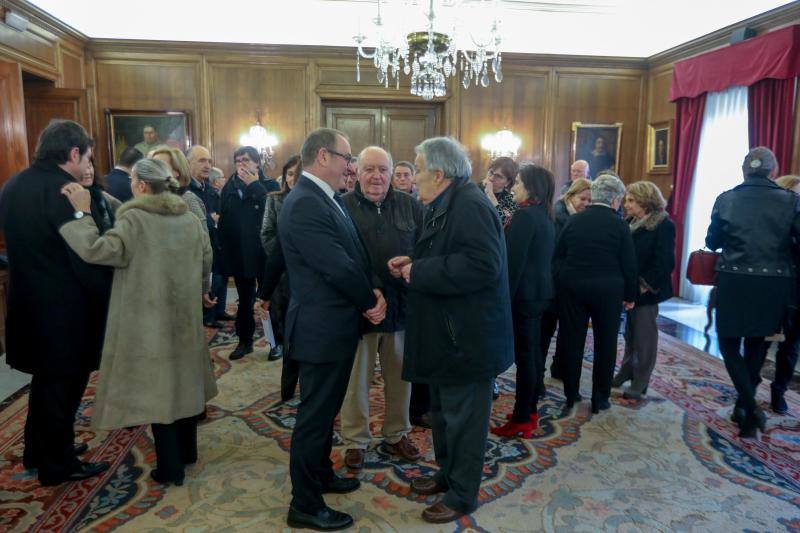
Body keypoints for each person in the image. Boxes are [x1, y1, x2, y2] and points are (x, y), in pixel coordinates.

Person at [59, 157, 218, 487]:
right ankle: (187, 453)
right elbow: (206, 257)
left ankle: (170, 469)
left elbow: (98, 250)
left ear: (142, 186)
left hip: (150, 320)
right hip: (184, 316)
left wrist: (81, 214)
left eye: (132, 180)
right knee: (185, 382)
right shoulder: (187, 216)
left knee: (159, 392)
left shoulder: (136, 221)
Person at [388, 137, 513, 524]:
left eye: (419, 169)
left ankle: (463, 494)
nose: (413, 178)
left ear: (439, 174)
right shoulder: (447, 200)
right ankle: (447, 474)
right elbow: (451, 253)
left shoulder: (471, 205)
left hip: (467, 338)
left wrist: (419, 271)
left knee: (465, 421)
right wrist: (415, 260)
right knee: (443, 415)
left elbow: (481, 266)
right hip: (448, 333)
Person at [280, 128, 386, 531]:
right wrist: (369, 302)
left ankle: (322, 474)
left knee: (325, 415)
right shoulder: (306, 202)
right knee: (314, 418)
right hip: (319, 329)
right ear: (323, 157)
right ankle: (304, 503)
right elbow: (336, 266)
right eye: (347, 157)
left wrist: (373, 287)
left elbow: (354, 252)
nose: (351, 165)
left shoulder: (325, 198)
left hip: (333, 326)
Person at [0, 119, 111, 485]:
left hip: (27, 306)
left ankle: (39, 450)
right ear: (74, 153)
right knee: (62, 391)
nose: (88, 165)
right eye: (88, 156)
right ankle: (58, 464)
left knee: (45, 386)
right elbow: (86, 257)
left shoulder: (13, 184)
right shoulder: (66, 192)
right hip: (64, 314)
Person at [705, 147, 800, 437]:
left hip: (734, 279)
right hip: (774, 283)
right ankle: (748, 417)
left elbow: (713, 241)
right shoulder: (792, 201)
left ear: (744, 169)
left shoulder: (726, 198)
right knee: (757, 345)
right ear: (774, 171)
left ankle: (749, 407)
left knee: (728, 343)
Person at [340, 146, 424, 471]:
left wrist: (411, 264)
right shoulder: (342, 207)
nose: (377, 176)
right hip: (359, 309)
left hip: (402, 309)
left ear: (393, 173)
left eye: (383, 170)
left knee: (401, 377)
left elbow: (427, 248)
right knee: (356, 380)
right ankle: (356, 440)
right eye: (369, 169)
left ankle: (396, 433)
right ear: (356, 173)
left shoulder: (411, 207)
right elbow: (341, 257)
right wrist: (368, 291)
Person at [554, 174, 636, 414]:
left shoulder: (575, 220)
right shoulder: (620, 225)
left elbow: (558, 255)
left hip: (572, 288)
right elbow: (629, 264)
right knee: (606, 343)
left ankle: (571, 394)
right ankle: (600, 398)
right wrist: (630, 295)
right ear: (615, 200)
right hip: (608, 292)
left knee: (572, 340)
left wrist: (562, 280)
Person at [490, 164, 555, 438]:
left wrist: (501, 302)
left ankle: (522, 417)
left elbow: (512, 266)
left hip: (524, 298)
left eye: (517, 183)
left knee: (526, 358)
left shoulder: (525, 217)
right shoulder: (543, 214)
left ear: (532, 187)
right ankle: (528, 412)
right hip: (538, 294)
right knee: (532, 356)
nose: (512, 187)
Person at [612, 181, 675, 399]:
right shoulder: (630, 222)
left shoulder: (663, 225)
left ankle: (642, 378)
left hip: (647, 290)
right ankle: (627, 370)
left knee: (644, 337)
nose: (626, 204)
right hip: (630, 287)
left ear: (646, 202)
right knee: (630, 334)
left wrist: (643, 286)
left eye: (631, 200)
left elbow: (665, 262)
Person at [218, 146, 270, 358]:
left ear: (257, 163)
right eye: (238, 160)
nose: (241, 164)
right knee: (245, 301)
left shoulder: (269, 185)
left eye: (246, 160)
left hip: (264, 254)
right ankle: (245, 341)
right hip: (240, 255)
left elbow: (271, 212)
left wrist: (255, 186)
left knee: (268, 302)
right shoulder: (228, 188)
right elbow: (224, 222)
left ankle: (274, 343)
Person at [544, 177, 592, 381]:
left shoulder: (584, 218)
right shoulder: (557, 215)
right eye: (583, 199)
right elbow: (554, 252)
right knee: (546, 330)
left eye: (590, 200)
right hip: (553, 282)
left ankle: (560, 368)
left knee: (569, 330)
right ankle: (538, 375)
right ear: (570, 196)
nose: (586, 204)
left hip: (572, 283)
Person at [258, 154, 302, 362]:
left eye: (298, 174)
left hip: (302, 270)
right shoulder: (274, 198)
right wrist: (284, 257)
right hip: (279, 267)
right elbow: (266, 233)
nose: (293, 178)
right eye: (290, 174)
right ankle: (275, 344)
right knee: (276, 308)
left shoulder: (309, 201)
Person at [186, 145, 224, 327]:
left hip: (213, 244)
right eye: (202, 160)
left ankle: (214, 314)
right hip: (193, 250)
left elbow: (219, 214)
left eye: (209, 161)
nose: (207, 165)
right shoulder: (185, 191)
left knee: (214, 281)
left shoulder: (208, 189)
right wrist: (210, 219)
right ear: (188, 164)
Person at [771, 175, 800, 414]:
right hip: (774, 290)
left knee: (791, 347)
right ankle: (749, 389)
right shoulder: (771, 222)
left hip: (797, 292)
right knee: (760, 343)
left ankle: (779, 391)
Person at [152, 147, 208, 229]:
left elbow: (203, 238)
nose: (154, 170)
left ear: (177, 171)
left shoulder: (188, 199)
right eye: (153, 165)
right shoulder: (157, 197)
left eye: (161, 166)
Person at [80, 157, 120, 233]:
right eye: (83, 168)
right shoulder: (75, 197)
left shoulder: (99, 193)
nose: (88, 172)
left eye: (89, 167)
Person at [481, 156, 519, 226]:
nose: (491, 178)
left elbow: (505, 223)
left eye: (498, 176)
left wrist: (491, 196)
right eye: (491, 172)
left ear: (508, 182)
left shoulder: (511, 200)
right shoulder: (476, 190)